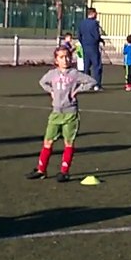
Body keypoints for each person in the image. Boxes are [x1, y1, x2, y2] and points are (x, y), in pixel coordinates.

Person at [28, 46, 98, 182]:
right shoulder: (52, 74)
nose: (65, 60)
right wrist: (51, 92)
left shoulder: (74, 74)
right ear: (56, 60)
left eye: (67, 57)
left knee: (68, 142)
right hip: (56, 113)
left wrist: (77, 90)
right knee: (48, 141)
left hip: (70, 113)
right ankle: (41, 169)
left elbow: (92, 81)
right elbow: (42, 82)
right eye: (61, 57)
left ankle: (64, 171)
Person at [76, 7, 105, 90]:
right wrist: (99, 40)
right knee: (97, 66)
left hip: (85, 46)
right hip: (93, 46)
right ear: (93, 13)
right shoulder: (94, 23)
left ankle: (86, 84)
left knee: (86, 66)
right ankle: (97, 84)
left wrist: (83, 43)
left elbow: (79, 35)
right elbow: (96, 35)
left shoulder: (82, 23)